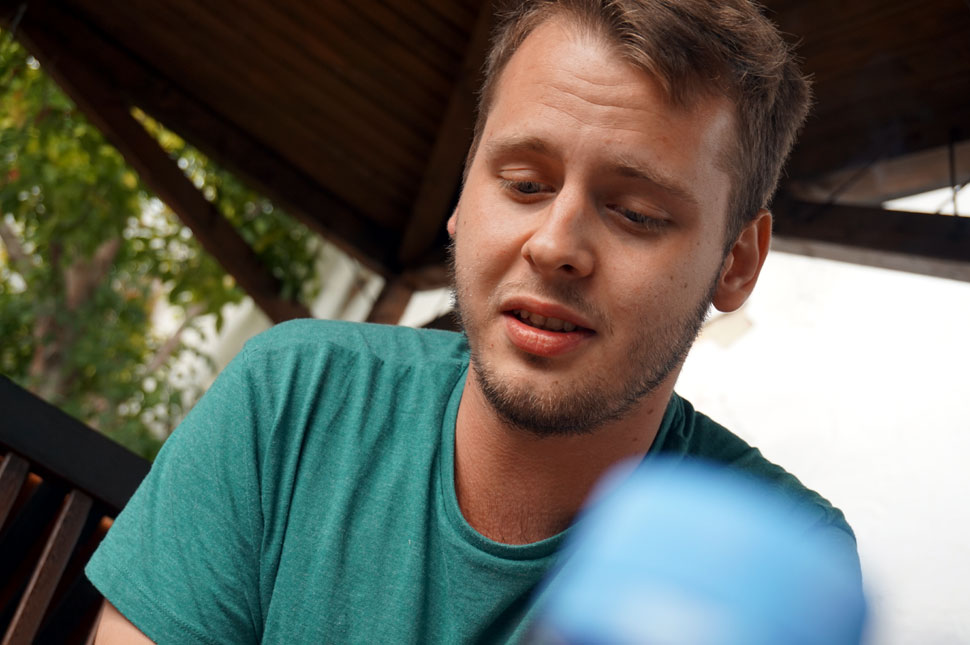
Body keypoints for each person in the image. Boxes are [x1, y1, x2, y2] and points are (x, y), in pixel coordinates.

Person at [88, 1, 860, 642]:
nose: (554, 245)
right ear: (465, 193)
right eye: (523, 183)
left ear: (736, 262)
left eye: (635, 212)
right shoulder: (295, 396)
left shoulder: (781, 559)